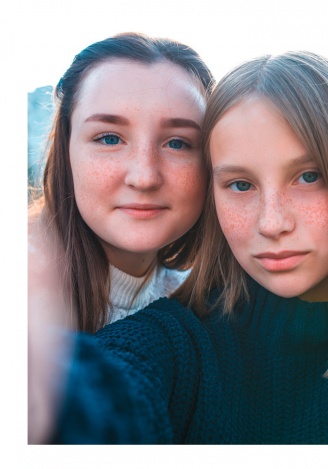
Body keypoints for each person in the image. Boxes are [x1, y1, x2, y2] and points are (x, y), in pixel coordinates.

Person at [35, 51, 328, 446]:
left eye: (309, 176)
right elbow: (110, 389)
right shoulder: (179, 338)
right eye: (240, 184)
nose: (272, 223)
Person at [30, 32, 213, 333]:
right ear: (67, 150)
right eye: (110, 139)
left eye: (178, 143)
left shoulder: (212, 312)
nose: (144, 177)